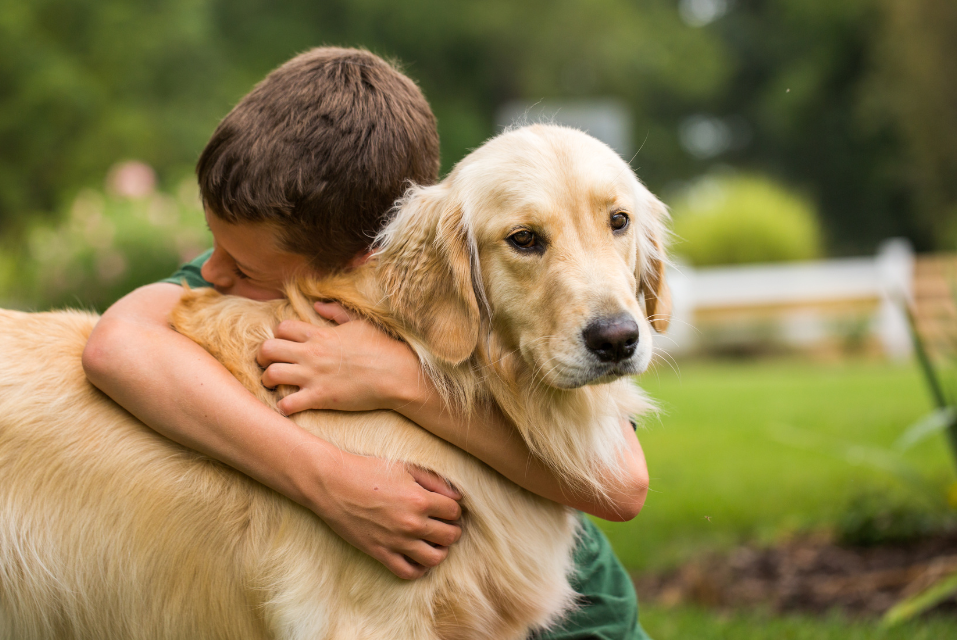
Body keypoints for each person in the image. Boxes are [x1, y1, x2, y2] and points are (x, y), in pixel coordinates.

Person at [82, 46, 652, 639]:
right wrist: (329, 479)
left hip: (585, 617)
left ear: (360, 262)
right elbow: (115, 345)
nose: (214, 274)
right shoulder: (277, 249)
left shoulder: (429, 263)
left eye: (245, 268)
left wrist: (400, 382)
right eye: (215, 246)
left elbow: (622, 484)